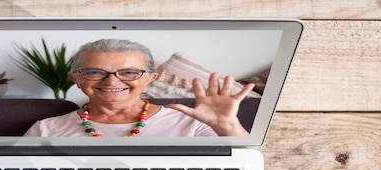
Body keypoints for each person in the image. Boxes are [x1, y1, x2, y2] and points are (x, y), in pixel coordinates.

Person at [24, 39, 254, 138]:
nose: (112, 81)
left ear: (150, 78)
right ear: (75, 78)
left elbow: (245, 168)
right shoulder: (45, 130)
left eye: (129, 72)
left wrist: (227, 125)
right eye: (94, 72)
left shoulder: (193, 123)